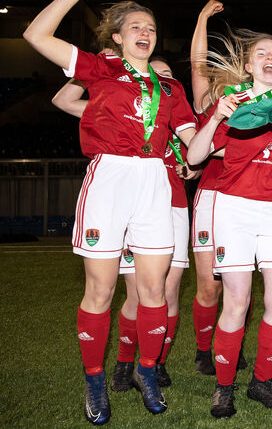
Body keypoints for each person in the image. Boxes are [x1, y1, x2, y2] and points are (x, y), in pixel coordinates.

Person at [24, 0, 197, 424]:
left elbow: (194, 147)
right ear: (118, 38)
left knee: (153, 289)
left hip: (155, 183)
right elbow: (36, 35)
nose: (145, 33)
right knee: (100, 290)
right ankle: (95, 380)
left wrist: (224, 118)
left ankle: (145, 371)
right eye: (136, 27)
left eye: (151, 28)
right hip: (110, 177)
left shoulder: (172, 91)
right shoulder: (103, 69)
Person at [52, 57, 194, 390]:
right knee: (133, 294)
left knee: (166, 293)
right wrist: (96, 73)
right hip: (125, 205)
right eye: (151, 75)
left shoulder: (175, 118)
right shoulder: (119, 112)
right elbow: (64, 101)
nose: (156, 83)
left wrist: (195, 167)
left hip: (172, 208)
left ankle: (154, 364)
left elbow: (200, 153)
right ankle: (123, 362)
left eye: (166, 77)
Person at [186, 30, 272, 417]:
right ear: (249, 67)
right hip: (234, 208)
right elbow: (196, 154)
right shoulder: (234, 105)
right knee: (237, 299)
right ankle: (224, 386)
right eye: (262, 53)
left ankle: (261, 382)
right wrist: (217, 115)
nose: (271, 57)